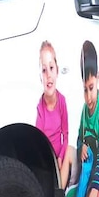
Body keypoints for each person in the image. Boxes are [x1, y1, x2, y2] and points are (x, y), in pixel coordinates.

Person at [64, 40, 99, 197]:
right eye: (85, 90)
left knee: (95, 191)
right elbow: (79, 135)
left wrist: (96, 184)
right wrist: (81, 145)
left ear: (97, 78)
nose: (89, 97)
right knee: (72, 161)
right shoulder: (85, 108)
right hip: (84, 159)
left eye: (91, 88)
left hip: (95, 162)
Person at [35, 41, 70, 182]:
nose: (48, 75)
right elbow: (38, 141)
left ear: (57, 71)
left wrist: (61, 156)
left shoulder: (61, 101)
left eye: (51, 68)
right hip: (46, 158)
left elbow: (65, 134)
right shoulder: (40, 107)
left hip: (60, 156)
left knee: (68, 154)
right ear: (40, 76)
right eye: (44, 70)